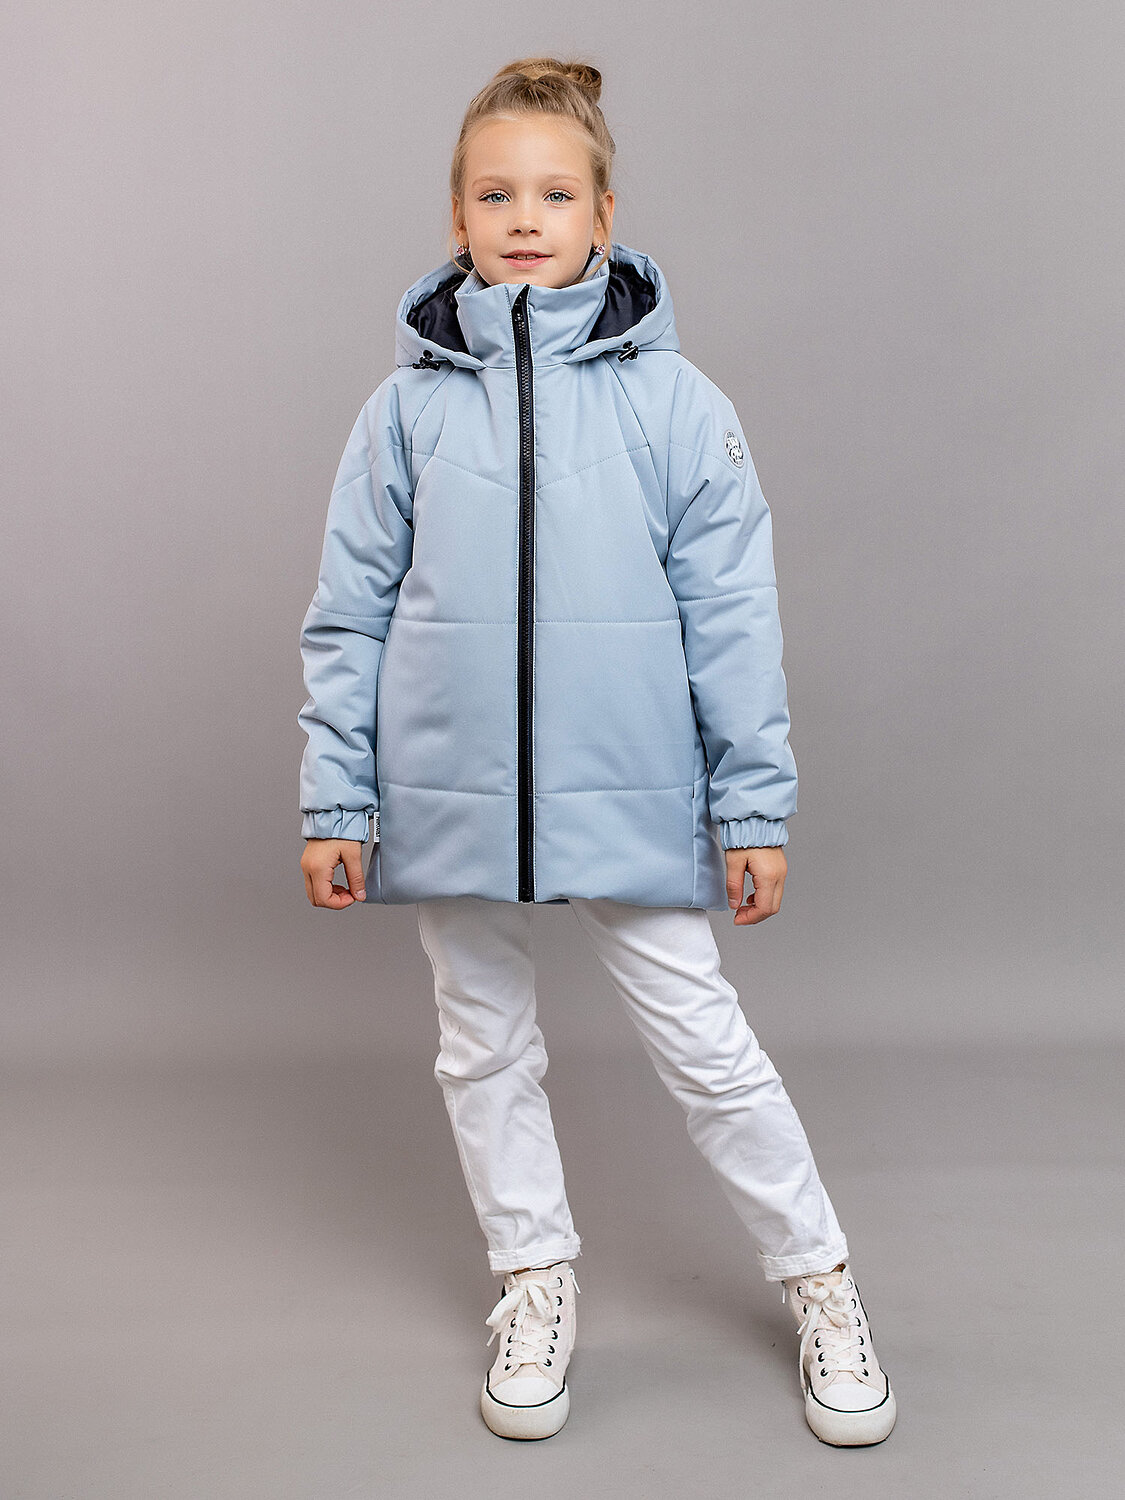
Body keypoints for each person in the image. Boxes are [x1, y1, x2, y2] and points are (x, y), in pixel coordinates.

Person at [297, 56, 896, 1448]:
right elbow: (347, 614)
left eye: (555, 194)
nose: (525, 217)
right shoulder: (403, 413)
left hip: (632, 787)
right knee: (480, 1050)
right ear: (456, 216)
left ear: (605, 216)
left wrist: (752, 810)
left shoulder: (676, 404)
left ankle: (820, 1280)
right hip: (448, 793)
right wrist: (338, 798)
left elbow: (732, 617)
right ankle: (533, 1277)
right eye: (495, 194)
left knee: (707, 1046)